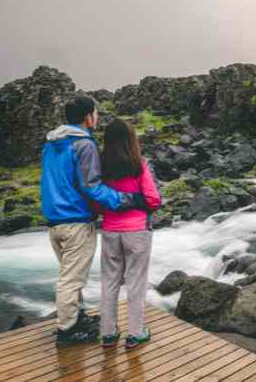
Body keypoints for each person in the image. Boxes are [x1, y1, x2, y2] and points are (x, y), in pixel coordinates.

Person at [41, 97, 146, 344]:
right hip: (76, 221)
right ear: (88, 117)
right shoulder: (84, 145)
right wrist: (127, 199)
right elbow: (92, 187)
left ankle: (76, 317)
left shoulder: (50, 144)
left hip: (54, 221)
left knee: (69, 274)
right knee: (71, 279)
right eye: (95, 114)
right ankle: (67, 330)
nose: (96, 118)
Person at [97, 119, 162, 349]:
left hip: (110, 231)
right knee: (136, 283)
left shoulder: (100, 166)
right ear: (130, 140)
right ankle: (135, 333)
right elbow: (154, 199)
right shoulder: (138, 164)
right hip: (137, 231)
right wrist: (137, 203)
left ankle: (108, 333)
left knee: (109, 282)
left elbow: (97, 198)